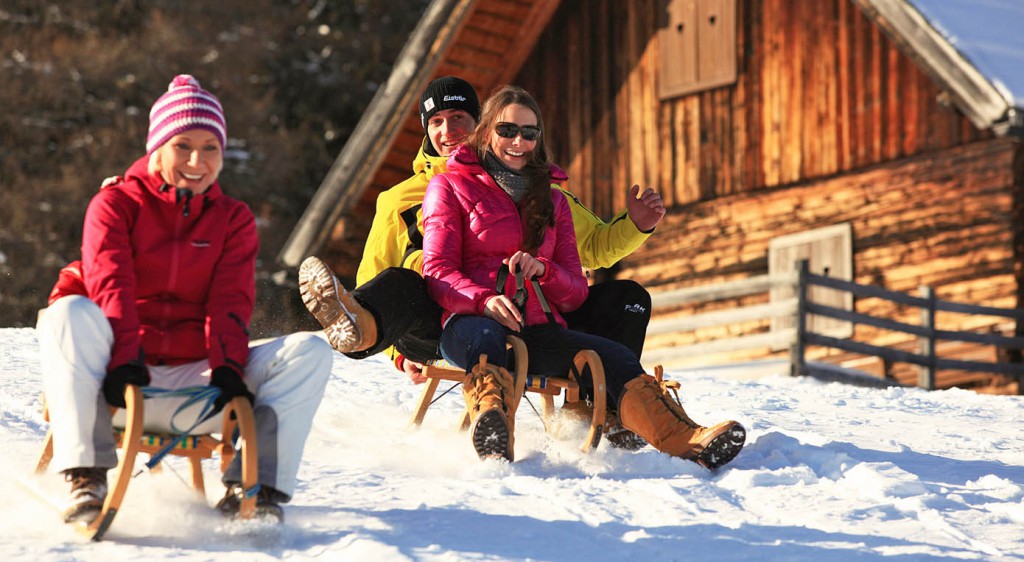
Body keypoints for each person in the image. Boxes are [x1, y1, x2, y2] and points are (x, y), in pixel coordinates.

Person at [38, 75, 333, 525]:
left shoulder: (232, 219)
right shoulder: (115, 204)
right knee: (70, 312)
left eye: (210, 147)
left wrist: (230, 370)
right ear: (157, 146)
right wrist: (123, 358)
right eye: (183, 145)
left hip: (195, 381)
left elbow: (230, 303)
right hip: (114, 381)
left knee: (309, 351)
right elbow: (110, 285)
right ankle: (86, 476)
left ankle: (255, 489)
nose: (197, 161)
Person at [299, 77, 663, 441]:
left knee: (627, 298)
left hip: (529, 314)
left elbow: (595, 247)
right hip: (441, 319)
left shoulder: (535, 189)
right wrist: (398, 352)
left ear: (483, 124)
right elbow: (374, 276)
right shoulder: (399, 199)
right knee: (404, 279)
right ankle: (362, 333)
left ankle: (609, 410)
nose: (448, 130)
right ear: (426, 131)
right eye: (436, 122)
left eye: (458, 117)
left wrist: (635, 225)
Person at [421, 85, 746, 468]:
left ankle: (686, 439)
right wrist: (484, 300)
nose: (518, 142)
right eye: (507, 130)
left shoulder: (555, 200)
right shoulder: (448, 186)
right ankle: (493, 429)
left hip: (536, 326)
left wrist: (546, 271)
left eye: (529, 133)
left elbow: (575, 293)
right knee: (486, 339)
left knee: (614, 355)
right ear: (488, 129)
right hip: (470, 323)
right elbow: (437, 271)